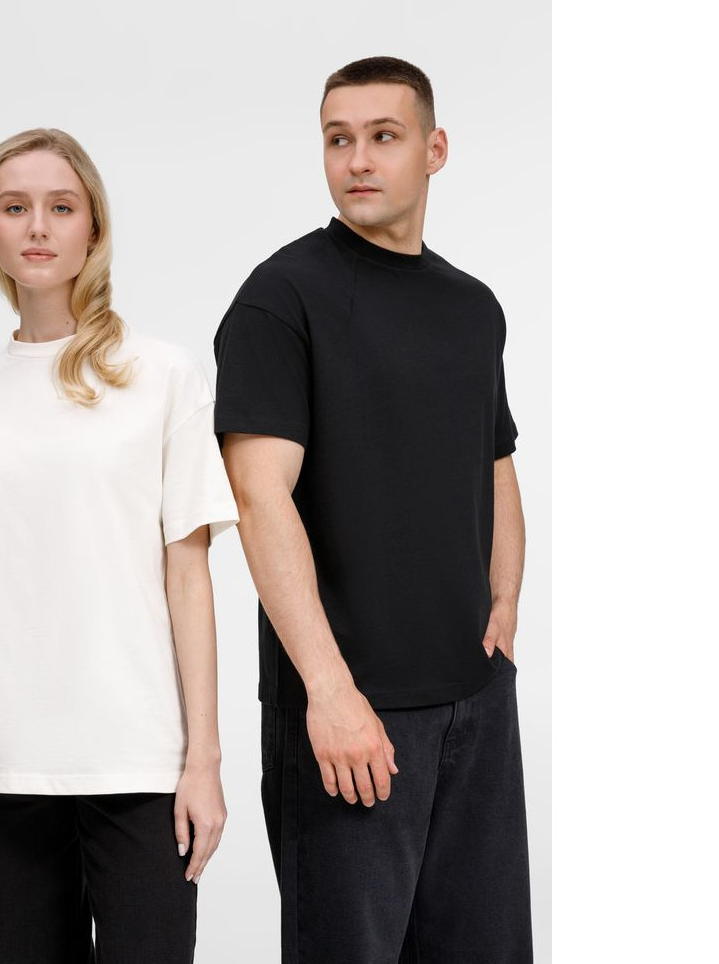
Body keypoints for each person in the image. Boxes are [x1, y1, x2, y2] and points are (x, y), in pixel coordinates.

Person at [213, 57, 532, 963]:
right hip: (354, 714)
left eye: (383, 137)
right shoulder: (282, 298)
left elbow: (497, 462)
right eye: (338, 139)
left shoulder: (473, 307)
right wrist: (329, 692)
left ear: (435, 149)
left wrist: (505, 607)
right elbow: (258, 496)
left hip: (475, 701)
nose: (357, 159)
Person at [0, 127, 238, 964]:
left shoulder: (162, 376)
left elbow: (188, 576)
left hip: (136, 762)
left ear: (94, 227)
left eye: (61, 206)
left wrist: (203, 761)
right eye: (15, 208)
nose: (39, 227)